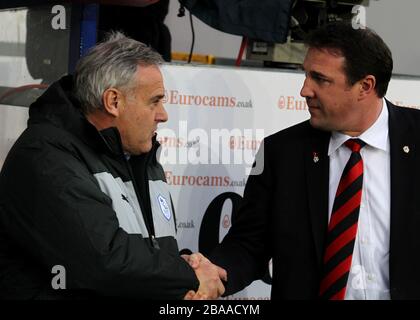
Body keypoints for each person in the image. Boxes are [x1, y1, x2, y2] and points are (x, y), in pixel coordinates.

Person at [187, 22, 420, 300]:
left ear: (365, 86)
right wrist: (217, 273)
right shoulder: (281, 152)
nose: (305, 90)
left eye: (320, 79)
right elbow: (250, 244)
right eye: (306, 75)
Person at [0, 32, 225, 300]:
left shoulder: (141, 156)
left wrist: (185, 268)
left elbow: (147, 254)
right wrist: (188, 278)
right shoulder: (45, 155)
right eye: (155, 100)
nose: (163, 115)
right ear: (113, 101)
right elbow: (105, 261)